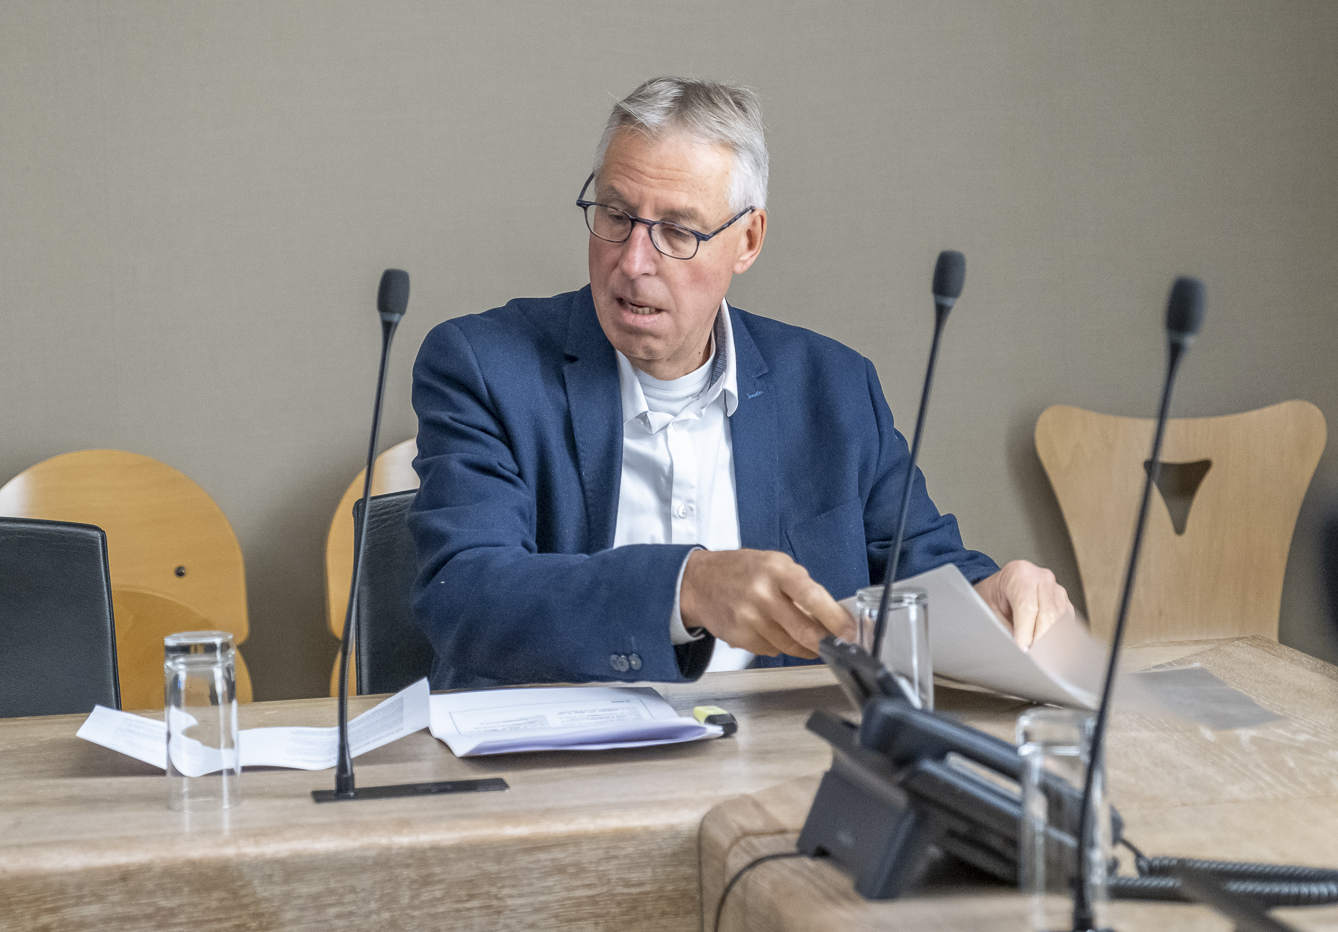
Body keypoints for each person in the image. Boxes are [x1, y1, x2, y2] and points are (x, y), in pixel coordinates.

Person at [408, 76, 1073, 689]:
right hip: (557, 771)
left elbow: (923, 573)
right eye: (615, 214)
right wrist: (686, 587)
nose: (634, 261)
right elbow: (464, 593)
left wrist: (995, 597)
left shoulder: (833, 389)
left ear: (747, 239)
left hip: (778, 759)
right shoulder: (483, 365)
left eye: (676, 230)